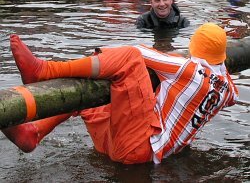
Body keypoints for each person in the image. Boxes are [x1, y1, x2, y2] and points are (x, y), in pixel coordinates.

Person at [2, 23, 238, 164]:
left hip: (141, 147)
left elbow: (137, 52)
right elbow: (231, 90)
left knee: (128, 58)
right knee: (95, 98)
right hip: (128, 148)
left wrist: (105, 57)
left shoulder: (186, 69)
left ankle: (44, 71)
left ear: (193, 48)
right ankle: (33, 132)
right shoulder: (227, 89)